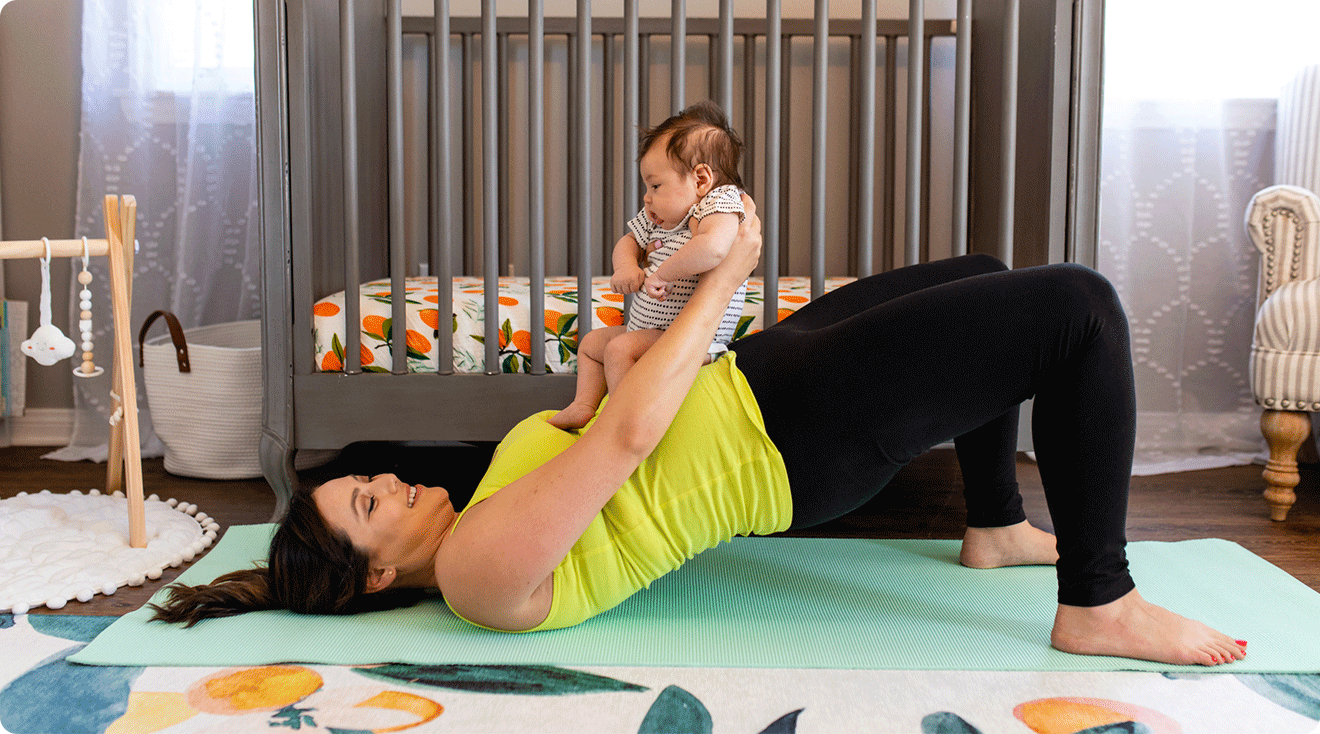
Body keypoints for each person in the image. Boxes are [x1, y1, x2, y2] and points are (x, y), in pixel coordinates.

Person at [150, 198, 1248, 667]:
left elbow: (595, 421)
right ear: (381, 573)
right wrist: (727, 275)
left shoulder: (483, 512)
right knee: (1080, 309)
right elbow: (628, 445)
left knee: (983, 275)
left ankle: (995, 524)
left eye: (369, 482)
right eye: (369, 503)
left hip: (757, 389)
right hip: (793, 441)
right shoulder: (479, 575)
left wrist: (609, 347)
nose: (387, 478)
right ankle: (1098, 602)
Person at [549, 101, 748, 430]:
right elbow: (629, 241)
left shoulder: (719, 202)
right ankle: (583, 405)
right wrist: (626, 266)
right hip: (651, 332)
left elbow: (713, 248)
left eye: (655, 186)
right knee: (592, 345)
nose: (646, 196)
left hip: (694, 339)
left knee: (620, 349)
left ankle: (622, 424)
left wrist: (662, 273)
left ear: (701, 179)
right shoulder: (659, 216)